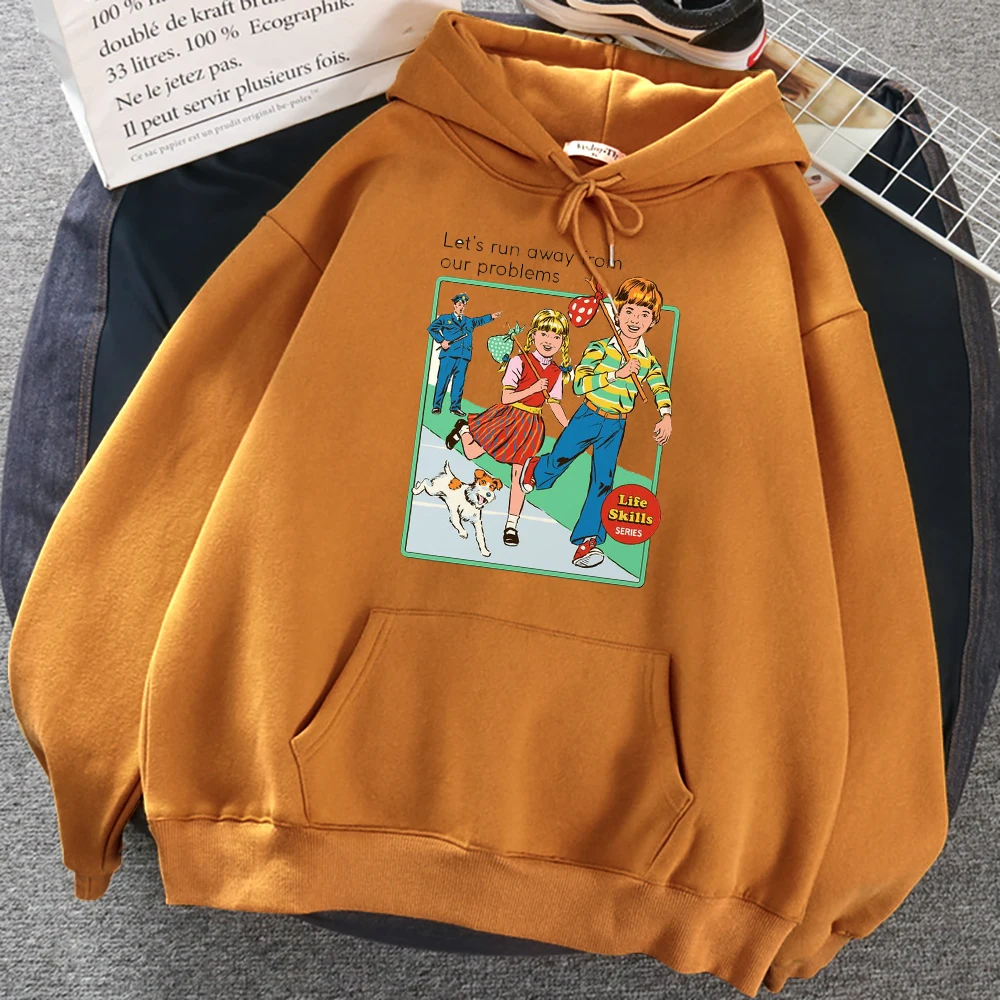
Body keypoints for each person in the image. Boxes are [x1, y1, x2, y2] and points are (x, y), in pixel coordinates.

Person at [520, 277, 672, 569]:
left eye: (644, 314)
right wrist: (617, 374)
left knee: (603, 480)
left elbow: (659, 386)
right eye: (629, 311)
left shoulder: (647, 361)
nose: (635, 320)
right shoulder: (599, 348)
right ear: (617, 313)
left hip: (615, 426)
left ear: (653, 321)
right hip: (588, 415)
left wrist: (666, 415)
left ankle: (587, 540)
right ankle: (536, 470)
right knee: (561, 457)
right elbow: (580, 384)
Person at [445, 309, 571, 547]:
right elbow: (506, 397)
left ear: (562, 341)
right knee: (471, 453)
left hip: (530, 427)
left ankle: (511, 526)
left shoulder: (556, 372)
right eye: (544, 334)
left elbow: (554, 403)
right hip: (508, 417)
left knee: (519, 476)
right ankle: (464, 429)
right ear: (533, 335)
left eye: (556, 337)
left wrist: (570, 427)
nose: (549, 341)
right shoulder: (519, 361)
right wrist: (533, 389)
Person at [427, 292, 502, 416]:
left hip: (463, 356)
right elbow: (431, 328)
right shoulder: (445, 319)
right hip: (449, 355)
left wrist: (492, 316)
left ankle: (455, 407)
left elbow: (480, 320)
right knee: (443, 380)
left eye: (463, 305)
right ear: (454, 306)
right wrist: (442, 341)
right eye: (459, 305)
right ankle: (437, 406)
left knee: (459, 383)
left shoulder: (468, 321)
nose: (461, 307)